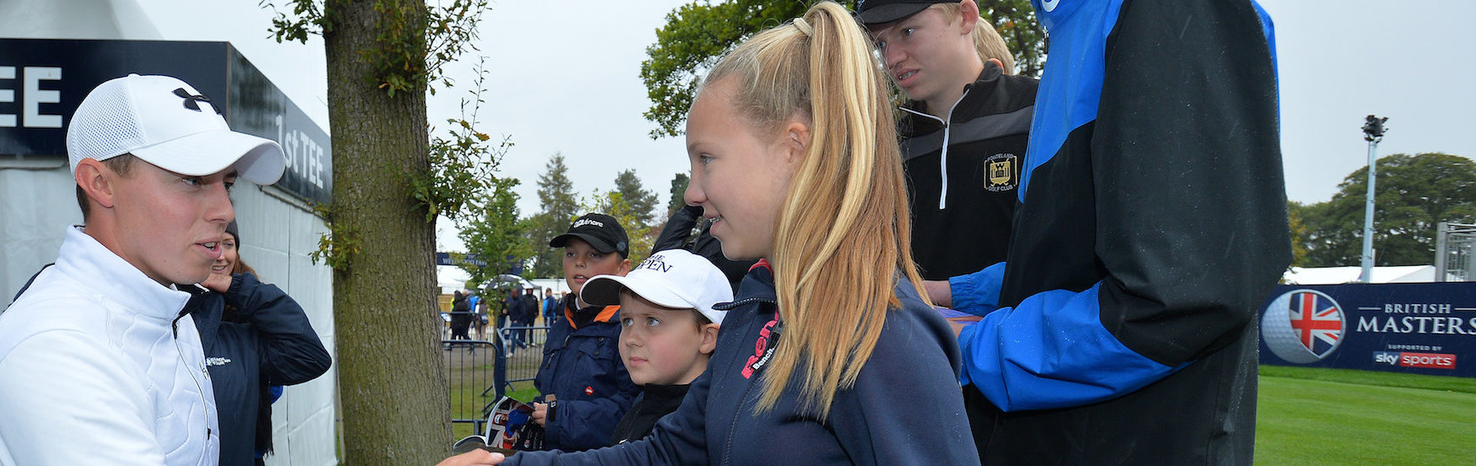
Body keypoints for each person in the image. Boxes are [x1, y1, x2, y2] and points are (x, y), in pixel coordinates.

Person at [442, 3, 977, 464]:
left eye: (707, 159)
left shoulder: (880, 334)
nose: (693, 193)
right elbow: (666, 453)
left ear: (795, 149)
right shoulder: (756, 310)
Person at [924, 0, 1288, 464]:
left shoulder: (1163, 11)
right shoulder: (1074, 24)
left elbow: (1176, 298)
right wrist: (951, 294)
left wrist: (966, 343)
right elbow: (1069, 259)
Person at [0, 73, 287, 465]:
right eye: (192, 180)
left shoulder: (165, 302)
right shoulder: (57, 349)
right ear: (99, 183)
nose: (226, 211)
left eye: (227, 184)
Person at [857, 0, 1038, 281]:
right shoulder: (885, 146)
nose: (891, 59)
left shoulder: (1039, 110)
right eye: (880, 44)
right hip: (914, 324)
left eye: (907, 32)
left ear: (966, 17)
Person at [195, 220, 332, 466]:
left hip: (245, 450)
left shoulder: (251, 306)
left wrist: (235, 288)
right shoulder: (173, 312)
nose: (221, 255)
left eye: (228, 244)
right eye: (211, 244)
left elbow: (311, 357)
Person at [575, 249, 730, 444]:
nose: (631, 339)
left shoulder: (701, 433)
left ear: (707, 337)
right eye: (627, 321)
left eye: (652, 321)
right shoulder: (646, 405)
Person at [527, 213, 641, 452]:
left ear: (623, 267)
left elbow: (634, 408)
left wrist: (560, 417)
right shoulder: (561, 326)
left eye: (594, 254)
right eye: (571, 253)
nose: (579, 262)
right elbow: (547, 392)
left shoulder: (630, 329)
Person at [652, 205, 757, 293]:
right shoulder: (698, 247)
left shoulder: (746, 252)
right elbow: (659, 264)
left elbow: (703, 273)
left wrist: (690, 212)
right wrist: (689, 211)